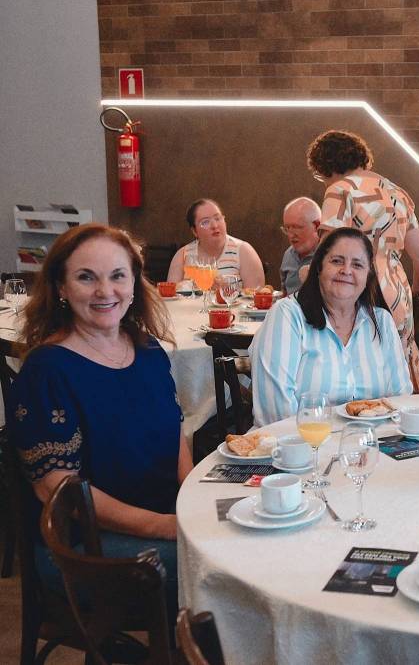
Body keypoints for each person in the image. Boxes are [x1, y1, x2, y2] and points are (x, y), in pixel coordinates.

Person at [9, 223, 191, 615]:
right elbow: (59, 492)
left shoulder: (148, 350)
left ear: (134, 282)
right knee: (220, 565)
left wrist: (194, 499)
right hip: (82, 548)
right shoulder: (47, 371)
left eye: (117, 276)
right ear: (61, 287)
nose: (105, 291)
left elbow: (174, 432)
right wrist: (167, 526)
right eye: (86, 277)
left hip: (165, 517)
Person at [306, 130, 419, 393]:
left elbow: (328, 252)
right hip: (398, 292)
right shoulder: (397, 193)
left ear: (326, 165)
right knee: (397, 366)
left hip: (360, 287)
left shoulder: (340, 191)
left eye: (320, 175)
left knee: (362, 366)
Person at [249, 227, 413, 426]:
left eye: (357, 265)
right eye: (337, 261)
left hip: (370, 440)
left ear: (368, 275)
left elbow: (400, 398)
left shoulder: (381, 322)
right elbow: (275, 414)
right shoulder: (287, 315)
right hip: (299, 442)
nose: (347, 271)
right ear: (319, 267)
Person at [166, 198, 265, 289]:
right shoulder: (182, 255)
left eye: (217, 218)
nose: (214, 225)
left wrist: (226, 290)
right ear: (194, 231)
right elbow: (170, 295)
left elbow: (255, 297)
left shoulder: (244, 250)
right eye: (205, 222)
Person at [279, 196, 321, 295]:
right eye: (287, 228)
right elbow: (284, 293)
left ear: (317, 226)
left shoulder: (329, 256)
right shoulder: (288, 254)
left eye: (297, 227)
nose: (291, 235)